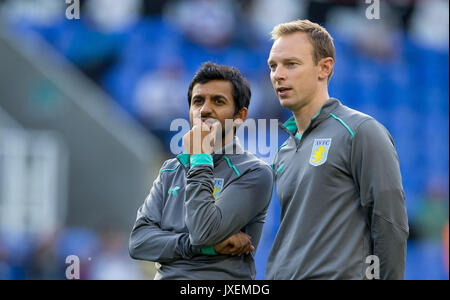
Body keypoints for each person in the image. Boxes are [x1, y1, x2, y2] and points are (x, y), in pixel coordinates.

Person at [265, 20, 409, 280]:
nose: (278, 75)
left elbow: (389, 223)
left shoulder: (361, 131)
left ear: (324, 67)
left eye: (291, 64)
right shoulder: (284, 150)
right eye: (273, 66)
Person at [129, 62, 274, 280]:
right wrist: (204, 248)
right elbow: (139, 242)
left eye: (218, 101)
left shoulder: (254, 172)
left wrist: (200, 157)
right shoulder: (171, 169)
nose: (204, 109)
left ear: (240, 116)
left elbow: (204, 232)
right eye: (198, 101)